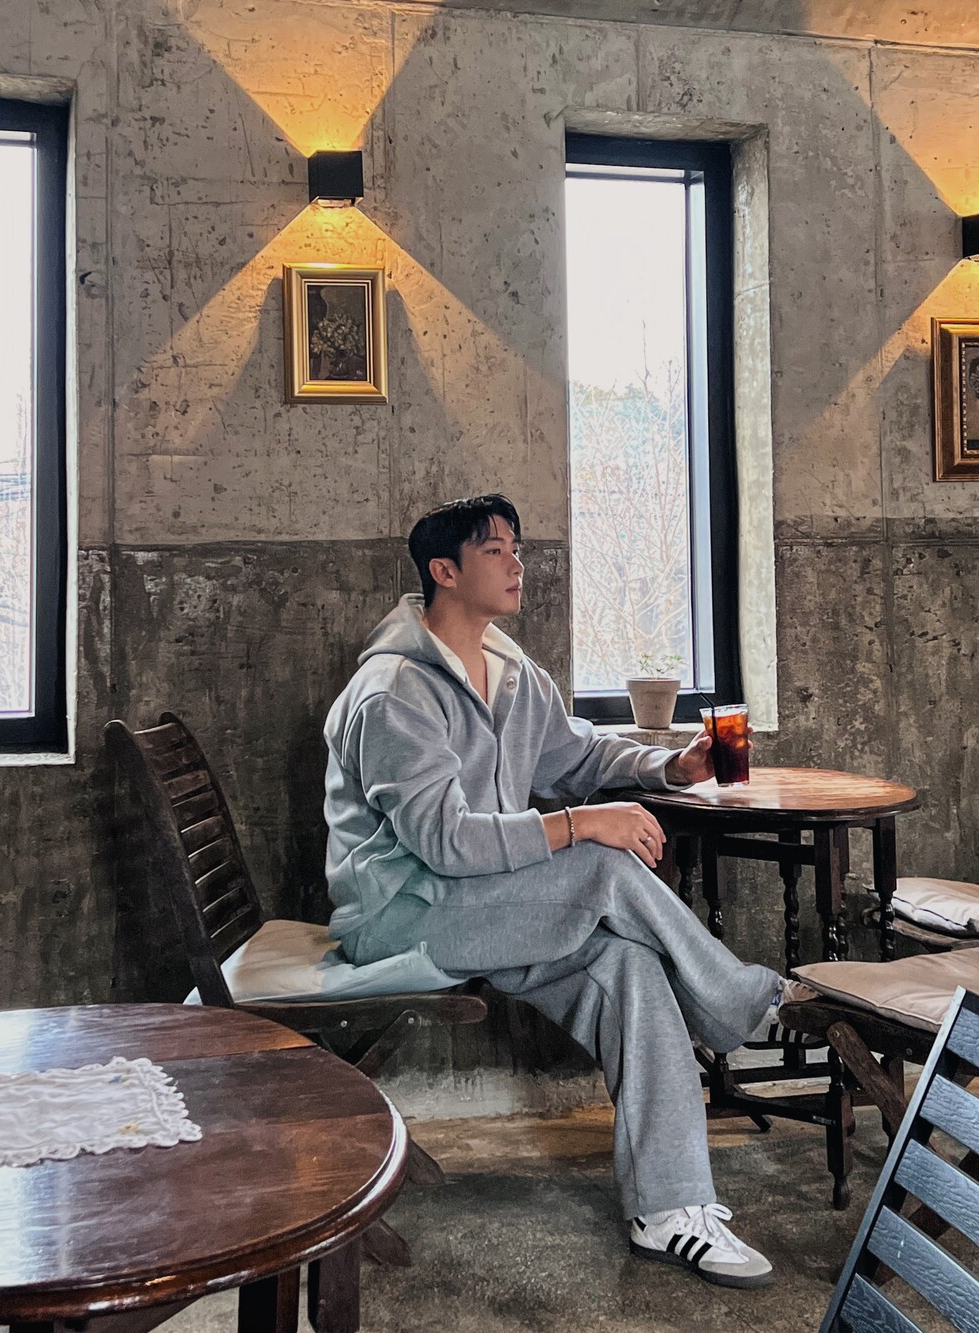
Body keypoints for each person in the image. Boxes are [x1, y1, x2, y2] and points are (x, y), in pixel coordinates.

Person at [324, 493, 808, 1290]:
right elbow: (446, 842)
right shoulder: (393, 692)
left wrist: (669, 766)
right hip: (403, 917)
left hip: (490, 909)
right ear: (445, 571)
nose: (518, 563)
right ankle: (746, 1003)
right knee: (604, 865)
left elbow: (577, 755)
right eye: (495, 551)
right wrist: (582, 824)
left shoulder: (510, 671)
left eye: (517, 547)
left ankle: (670, 1208)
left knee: (629, 967)